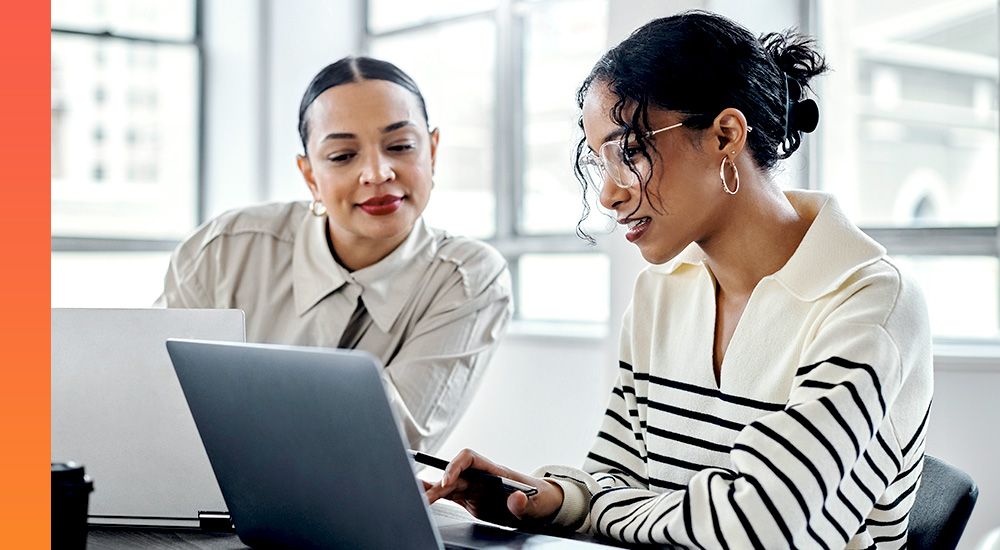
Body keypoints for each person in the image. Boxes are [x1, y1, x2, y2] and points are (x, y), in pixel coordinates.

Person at [425, 11, 932, 549]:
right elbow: (612, 477)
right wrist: (550, 500)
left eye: (632, 152)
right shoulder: (660, 294)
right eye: (601, 161)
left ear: (725, 135)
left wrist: (598, 509)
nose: (608, 194)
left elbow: (764, 525)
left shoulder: (870, 302)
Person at [157, 56, 513, 453]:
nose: (377, 174)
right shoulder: (224, 250)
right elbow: (157, 398)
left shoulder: (468, 278)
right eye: (343, 156)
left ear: (432, 150)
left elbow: (386, 444)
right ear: (310, 175)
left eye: (400, 146)